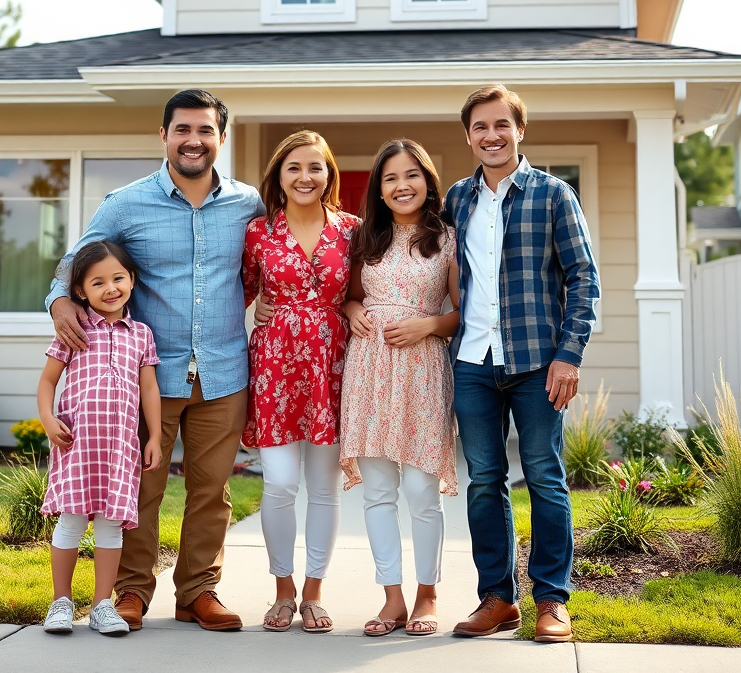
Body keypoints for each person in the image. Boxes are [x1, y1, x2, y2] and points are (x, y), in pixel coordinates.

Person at [46, 89, 264, 632]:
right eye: (183, 130)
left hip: (223, 370)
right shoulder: (125, 203)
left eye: (205, 130)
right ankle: (132, 593)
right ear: (163, 136)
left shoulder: (248, 203)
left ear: (220, 137)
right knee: (140, 487)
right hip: (146, 376)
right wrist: (58, 302)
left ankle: (198, 592)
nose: (194, 140)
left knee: (211, 491)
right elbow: (75, 264)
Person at [445, 85, 599, 644]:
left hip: (537, 360)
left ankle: (552, 600)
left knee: (544, 476)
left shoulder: (554, 194)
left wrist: (569, 354)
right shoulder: (458, 199)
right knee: (484, 480)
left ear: (520, 130)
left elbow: (584, 278)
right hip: (472, 361)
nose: (492, 136)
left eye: (501, 125)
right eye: (481, 127)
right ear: (468, 136)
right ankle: (497, 598)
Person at [340, 139, 460, 638]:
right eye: (390, 178)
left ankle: (427, 594)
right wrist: (353, 313)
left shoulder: (448, 239)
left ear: (427, 182)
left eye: (411, 175)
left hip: (422, 372)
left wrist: (428, 326)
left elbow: (463, 315)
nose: (401, 185)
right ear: (380, 189)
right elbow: (347, 298)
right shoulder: (365, 238)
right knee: (379, 493)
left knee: (420, 490)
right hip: (368, 371)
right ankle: (391, 598)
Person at [241, 131, 359, 633]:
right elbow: (238, 293)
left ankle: (313, 591)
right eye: (294, 167)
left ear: (329, 174)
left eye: (316, 167)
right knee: (281, 483)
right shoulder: (258, 232)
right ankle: (282, 589)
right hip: (275, 365)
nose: (305, 177)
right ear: (279, 176)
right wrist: (260, 309)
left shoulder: (352, 230)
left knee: (324, 488)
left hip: (332, 364)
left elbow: (359, 293)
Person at [38, 240, 163, 636]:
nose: (110, 288)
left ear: (132, 280)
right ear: (80, 291)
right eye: (98, 282)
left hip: (120, 448)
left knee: (110, 526)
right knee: (71, 523)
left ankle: (101, 605)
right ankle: (60, 602)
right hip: (76, 445)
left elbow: (149, 390)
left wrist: (155, 437)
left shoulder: (141, 334)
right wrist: (46, 418)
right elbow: (47, 381)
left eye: (118, 279)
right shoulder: (74, 330)